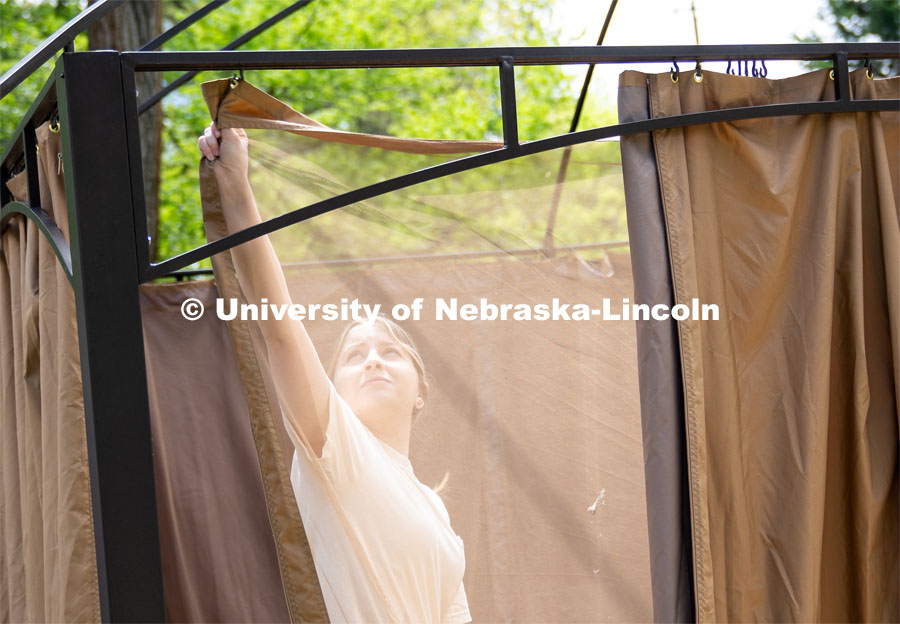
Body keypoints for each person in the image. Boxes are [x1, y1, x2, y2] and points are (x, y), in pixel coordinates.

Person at [199, 121, 471, 623]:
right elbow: (280, 331)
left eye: (390, 351)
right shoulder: (335, 447)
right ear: (333, 391)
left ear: (421, 391)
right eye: (353, 355)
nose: (372, 358)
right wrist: (237, 189)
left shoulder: (436, 512)